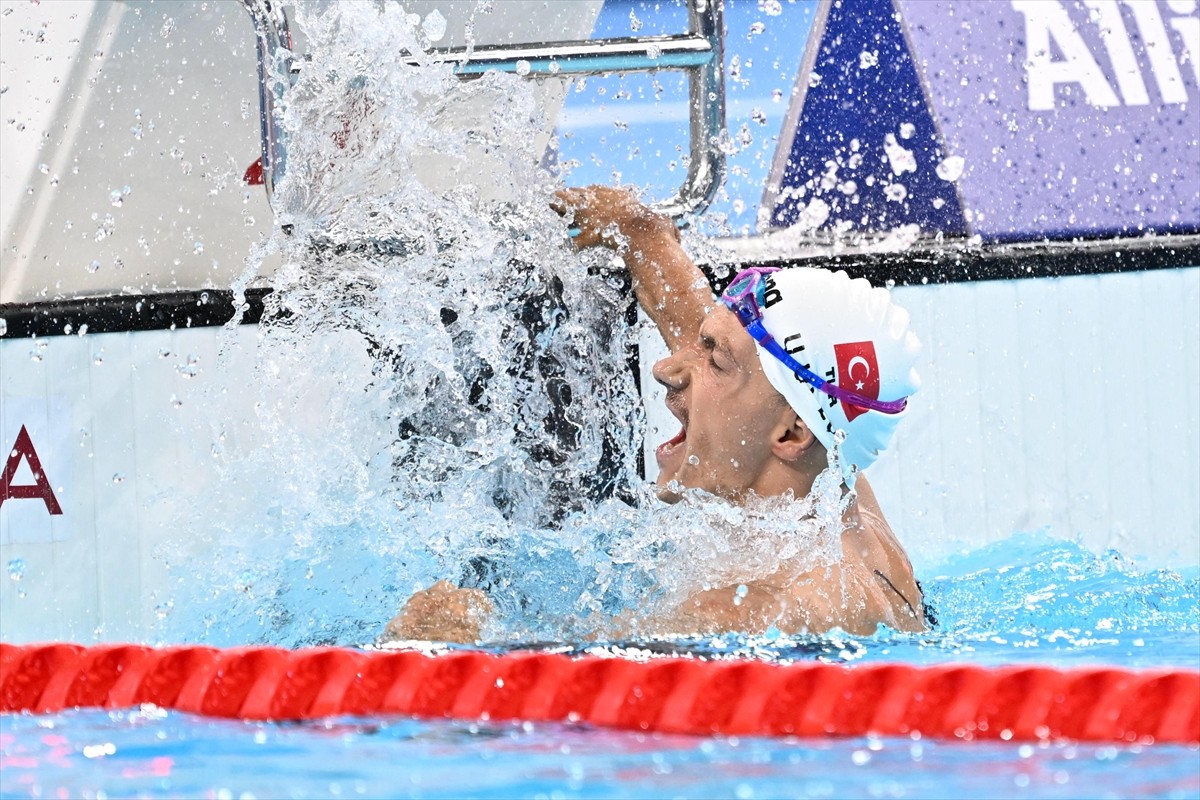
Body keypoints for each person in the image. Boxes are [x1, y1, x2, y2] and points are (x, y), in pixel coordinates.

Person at [384, 185, 928, 644]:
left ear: (790, 433)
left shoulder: (784, 606)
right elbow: (728, 346)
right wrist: (638, 230)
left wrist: (447, 647)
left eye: (712, 360)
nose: (669, 368)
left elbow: (560, 666)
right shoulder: (824, 464)